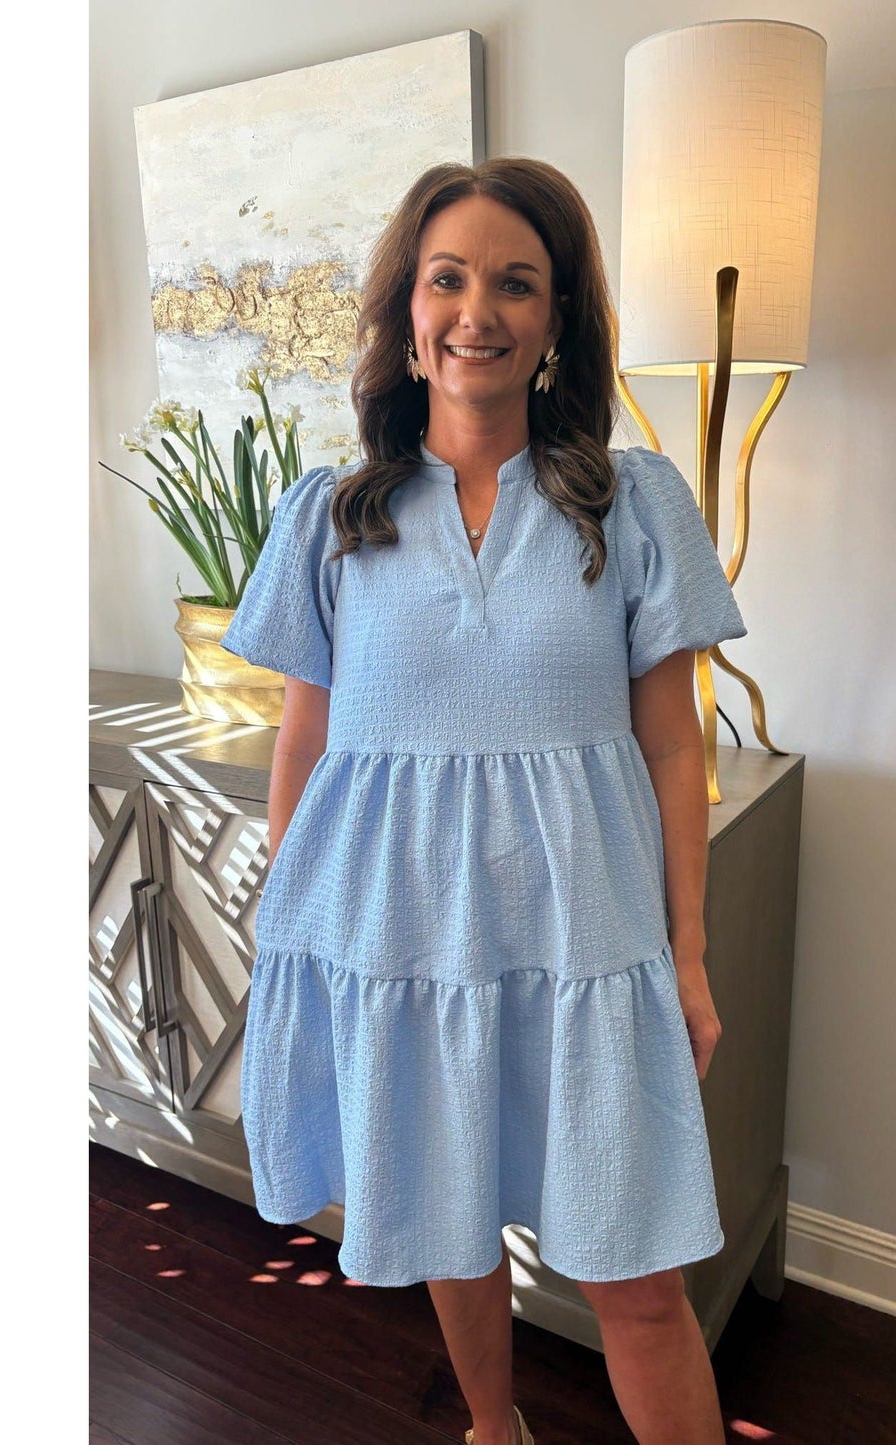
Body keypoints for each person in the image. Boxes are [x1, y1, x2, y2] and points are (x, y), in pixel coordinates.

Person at [220, 157, 746, 1445]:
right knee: (446, 1225)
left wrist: (686, 951)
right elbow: (310, 733)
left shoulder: (629, 507)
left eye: (518, 284)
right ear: (407, 309)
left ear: (557, 319)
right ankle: (490, 1430)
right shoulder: (329, 518)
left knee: (640, 1279)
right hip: (398, 945)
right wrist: (292, 929)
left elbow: (675, 748)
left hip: (588, 950)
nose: (479, 312)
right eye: (448, 279)